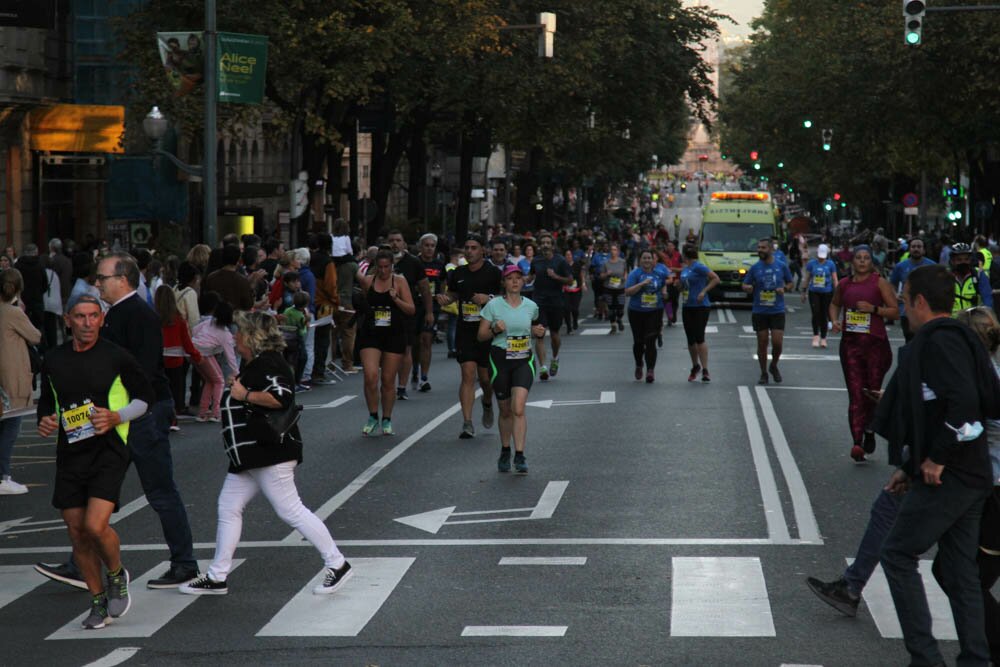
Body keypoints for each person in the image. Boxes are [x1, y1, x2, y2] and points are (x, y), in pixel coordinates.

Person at [179, 311, 352, 596]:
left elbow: (281, 397)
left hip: (268, 453)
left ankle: (338, 563)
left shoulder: (268, 363)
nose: (235, 338)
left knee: (291, 510)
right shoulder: (257, 364)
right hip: (250, 456)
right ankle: (217, 575)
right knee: (228, 507)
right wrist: (242, 385)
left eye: (240, 333)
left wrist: (243, 395)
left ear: (252, 337)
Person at [879, 265, 999, 667]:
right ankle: (976, 659)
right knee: (961, 571)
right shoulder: (962, 338)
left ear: (921, 302)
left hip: (952, 475)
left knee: (897, 554)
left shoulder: (940, 340)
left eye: (905, 298)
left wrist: (936, 458)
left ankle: (926, 659)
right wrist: (911, 464)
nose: (901, 305)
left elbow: (964, 402)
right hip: (972, 473)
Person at [38, 293, 155, 629]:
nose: (87, 323)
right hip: (71, 453)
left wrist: (117, 416)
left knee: (94, 525)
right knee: (76, 532)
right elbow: (49, 402)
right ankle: (97, 601)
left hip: (109, 450)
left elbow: (147, 398)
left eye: (93, 316)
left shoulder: (117, 356)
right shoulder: (54, 359)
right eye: (80, 317)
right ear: (67, 320)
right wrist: (45, 420)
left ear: (102, 319)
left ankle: (116, 574)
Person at [829, 245, 898, 462]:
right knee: (856, 394)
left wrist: (874, 309)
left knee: (871, 392)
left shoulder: (879, 283)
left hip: (875, 345)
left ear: (871, 262)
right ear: (852, 262)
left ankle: (870, 429)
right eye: (858, 258)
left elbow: (895, 311)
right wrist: (834, 320)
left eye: (866, 258)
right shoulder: (844, 284)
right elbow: (834, 304)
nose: (861, 261)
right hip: (851, 344)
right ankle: (857, 441)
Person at [478, 265, 545, 474]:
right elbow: (481, 336)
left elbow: (536, 330)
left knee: (518, 408)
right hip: (500, 361)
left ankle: (520, 454)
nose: (515, 282)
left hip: (524, 360)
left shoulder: (531, 306)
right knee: (505, 410)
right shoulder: (493, 306)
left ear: (523, 282)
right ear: (504, 283)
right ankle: (505, 450)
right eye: (510, 278)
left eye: (518, 278)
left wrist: (538, 332)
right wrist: (494, 329)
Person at [440, 235, 502, 438]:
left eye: (474, 247)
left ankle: (486, 402)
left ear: (482, 250)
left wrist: (488, 298)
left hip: (487, 331)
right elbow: (454, 294)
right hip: (465, 329)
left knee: (485, 379)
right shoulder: (458, 272)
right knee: (467, 374)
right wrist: (445, 298)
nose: (469, 251)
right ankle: (467, 422)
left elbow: (507, 297)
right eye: (466, 247)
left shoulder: (493, 272)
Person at [355, 250, 415, 436]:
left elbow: (411, 309)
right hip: (371, 333)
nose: (383, 271)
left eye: (386, 267)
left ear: (392, 266)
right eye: (379, 267)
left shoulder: (399, 281)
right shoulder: (368, 281)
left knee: (388, 380)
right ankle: (373, 415)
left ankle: (386, 418)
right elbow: (363, 303)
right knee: (371, 376)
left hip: (394, 334)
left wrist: (396, 299)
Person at [0, 268, 42, 494]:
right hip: (11, 377)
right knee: (10, 427)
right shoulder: (13, 312)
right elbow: (35, 336)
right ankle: (3, 476)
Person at [386, 230, 431, 402]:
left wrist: (429, 312)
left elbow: (425, 289)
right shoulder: (382, 262)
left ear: (404, 244)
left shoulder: (414, 262)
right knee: (387, 351)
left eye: (398, 240)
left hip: (407, 312)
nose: (395, 244)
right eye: (391, 240)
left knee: (406, 348)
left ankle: (401, 387)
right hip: (384, 313)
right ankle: (388, 383)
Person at [743, 239, 794, 385]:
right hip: (760, 310)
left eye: (763, 248)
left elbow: (790, 283)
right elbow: (745, 283)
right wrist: (747, 287)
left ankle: (774, 365)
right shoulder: (755, 268)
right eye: (758, 247)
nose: (760, 250)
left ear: (771, 249)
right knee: (762, 342)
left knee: (777, 343)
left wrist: (784, 288)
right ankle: (764, 372)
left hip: (777, 309)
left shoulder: (781, 266)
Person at [156, 286, 203, 432]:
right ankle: (174, 418)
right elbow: (186, 342)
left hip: (159, 359)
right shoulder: (178, 319)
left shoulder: (152, 318)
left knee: (161, 390)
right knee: (176, 390)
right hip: (176, 360)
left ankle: (161, 417)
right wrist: (196, 356)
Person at [529, 234, 573, 380]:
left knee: (554, 335)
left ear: (552, 245)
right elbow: (531, 276)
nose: (546, 245)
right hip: (539, 301)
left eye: (548, 242)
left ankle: (555, 358)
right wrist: (522, 279)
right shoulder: (536, 260)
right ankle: (542, 367)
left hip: (556, 301)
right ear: (540, 245)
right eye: (543, 243)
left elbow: (570, 280)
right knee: (539, 334)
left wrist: (556, 277)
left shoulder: (560, 261)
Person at [624, 250, 667, 383]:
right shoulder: (635, 274)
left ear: (653, 260)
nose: (647, 260)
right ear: (640, 260)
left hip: (654, 311)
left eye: (649, 258)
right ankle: (639, 364)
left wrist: (665, 293)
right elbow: (627, 292)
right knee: (638, 342)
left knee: (650, 341)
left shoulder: (659, 273)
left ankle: (650, 370)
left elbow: (664, 285)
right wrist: (642, 284)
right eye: (644, 258)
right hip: (637, 312)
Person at [679, 245, 720, 382]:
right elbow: (684, 286)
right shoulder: (685, 270)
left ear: (685, 255)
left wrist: (703, 291)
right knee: (690, 339)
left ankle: (705, 369)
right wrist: (678, 286)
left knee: (699, 337)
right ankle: (695, 366)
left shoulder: (699, 267)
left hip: (701, 306)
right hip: (687, 305)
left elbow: (715, 278)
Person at [192, 301, 238, 421]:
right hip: (205, 353)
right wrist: (236, 372)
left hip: (193, 351)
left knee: (209, 381)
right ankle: (216, 413)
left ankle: (203, 412)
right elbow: (231, 357)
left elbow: (194, 330)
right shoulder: (225, 334)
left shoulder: (208, 322)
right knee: (219, 381)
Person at [888, 237, 935, 343]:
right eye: (913, 247)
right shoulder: (900, 266)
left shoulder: (932, 265)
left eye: (919, 247)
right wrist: (895, 295)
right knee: (910, 340)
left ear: (924, 250)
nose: (916, 249)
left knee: (925, 340)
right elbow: (892, 284)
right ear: (909, 249)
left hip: (927, 310)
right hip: (907, 311)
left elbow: (938, 285)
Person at [308, 234, 340, 387]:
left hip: (309, 303)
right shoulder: (328, 262)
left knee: (310, 340)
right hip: (324, 305)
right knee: (323, 340)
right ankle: (318, 372)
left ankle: (308, 371)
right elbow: (331, 285)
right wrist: (336, 301)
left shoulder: (310, 259)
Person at [415, 233, 446, 391]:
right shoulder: (414, 262)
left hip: (431, 307)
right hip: (414, 305)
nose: (429, 248)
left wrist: (441, 295)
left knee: (426, 340)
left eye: (432, 246)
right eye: (426, 245)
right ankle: (413, 370)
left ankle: (424, 377)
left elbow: (443, 284)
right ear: (421, 247)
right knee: (414, 341)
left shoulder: (439, 265)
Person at [801, 243, 839, 348]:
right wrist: (803, 292)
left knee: (824, 315)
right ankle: (815, 336)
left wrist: (838, 292)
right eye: (820, 256)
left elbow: (835, 279)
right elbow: (807, 278)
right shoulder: (811, 264)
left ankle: (823, 338)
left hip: (827, 292)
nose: (821, 259)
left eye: (823, 257)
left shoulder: (831, 264)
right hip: (814, 292)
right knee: (816, 313)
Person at [332, 239, 359, 375]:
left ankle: (329, 364)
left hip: (331, 302)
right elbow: (361, 280)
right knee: (348, 334)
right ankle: (347, 364)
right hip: (347, 301)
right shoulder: (352, 265)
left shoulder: (330, 264)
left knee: (332, 334)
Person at [202, 244, 254, 312]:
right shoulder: (242, 280)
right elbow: (248, 305)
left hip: (216, 318)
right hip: (236, 319)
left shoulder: (211, 278)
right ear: (238, 259)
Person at [949, 242, 994, 315]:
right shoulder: (946, 276)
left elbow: (987, 299)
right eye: (959, 260)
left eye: (966, 259)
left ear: (970, 260)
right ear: (952, 261)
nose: (963, 262)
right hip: (952, 321)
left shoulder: (979, 274)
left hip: (973, 321)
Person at [601, 243, 628, 335]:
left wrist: (625, 277)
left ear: (618, 251)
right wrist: (606, 274)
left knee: (620, 308)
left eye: (615, 249)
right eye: (611, 250)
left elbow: (625, 272)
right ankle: (613, 327)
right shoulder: (606, 263)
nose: (613, 251)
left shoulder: (622, 262)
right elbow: (601, 276)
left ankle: (619, 319)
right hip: (609, 288)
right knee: (611, 309)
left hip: (620, 288)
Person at [562, 249, 585, 334]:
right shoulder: (563, 265)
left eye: (570, 255)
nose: (568, 256)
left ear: (572, 256)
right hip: (566, 289)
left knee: (575, 309)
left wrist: (583, 284)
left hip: (576, 289)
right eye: (567, 255)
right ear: (565, 256)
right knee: (566, 308)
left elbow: (581, 274)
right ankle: (569, 327)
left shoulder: (577, 264)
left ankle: (575, 320)